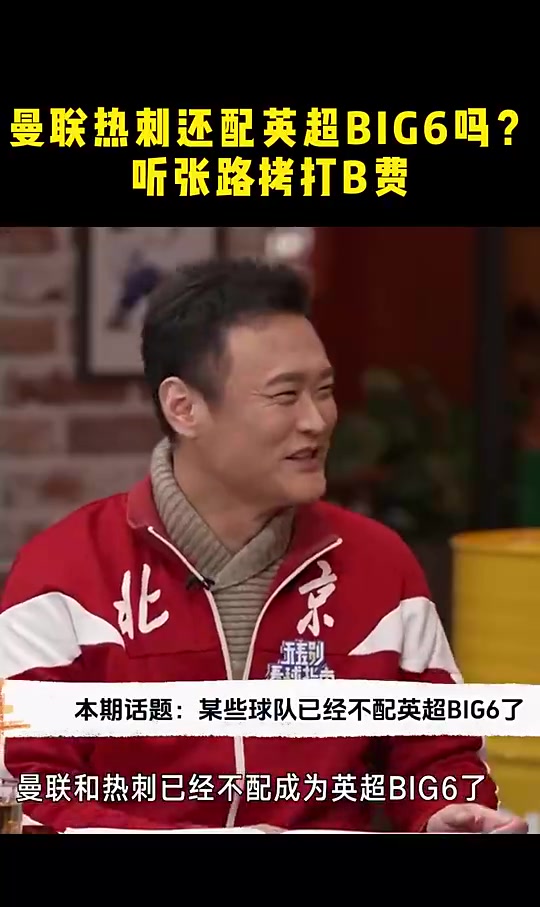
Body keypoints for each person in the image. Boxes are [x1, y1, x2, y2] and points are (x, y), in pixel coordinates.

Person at [0, 258, 527, 834]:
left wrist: (444, 815)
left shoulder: (379, 566)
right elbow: (26, 793)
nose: (316, 420)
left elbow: (439, 759)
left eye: (324, 391)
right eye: (285, 395)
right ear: (184, 408)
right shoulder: (64, 575)